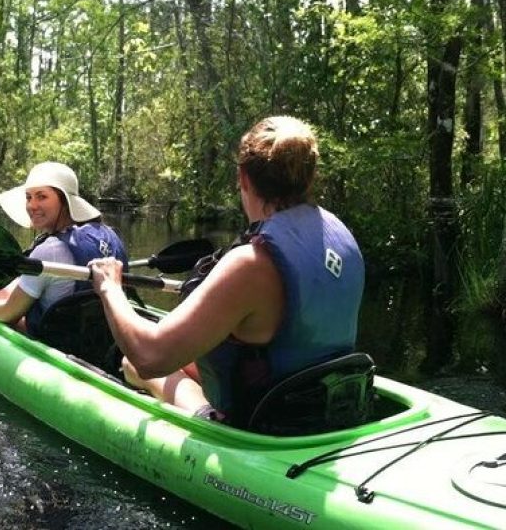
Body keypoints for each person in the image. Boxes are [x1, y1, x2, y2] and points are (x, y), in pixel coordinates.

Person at [88, 116, 365, 427]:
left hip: (267, 423)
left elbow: (150, 356)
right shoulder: (339, 235)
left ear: (243, 177)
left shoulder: (250, 263)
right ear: (310, 177)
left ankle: (204, 417)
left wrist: (109, 287)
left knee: (132, 366)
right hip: (326, 398)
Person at [0, 161, 128, 336]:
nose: (31, 205)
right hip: (103, 339)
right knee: (7, 288)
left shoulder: (49, 250)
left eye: (42, 196)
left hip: (62, 342)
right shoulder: (111, 235)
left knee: (2, 302)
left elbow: (8, 314)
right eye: (29, 197)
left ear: (66, 202)